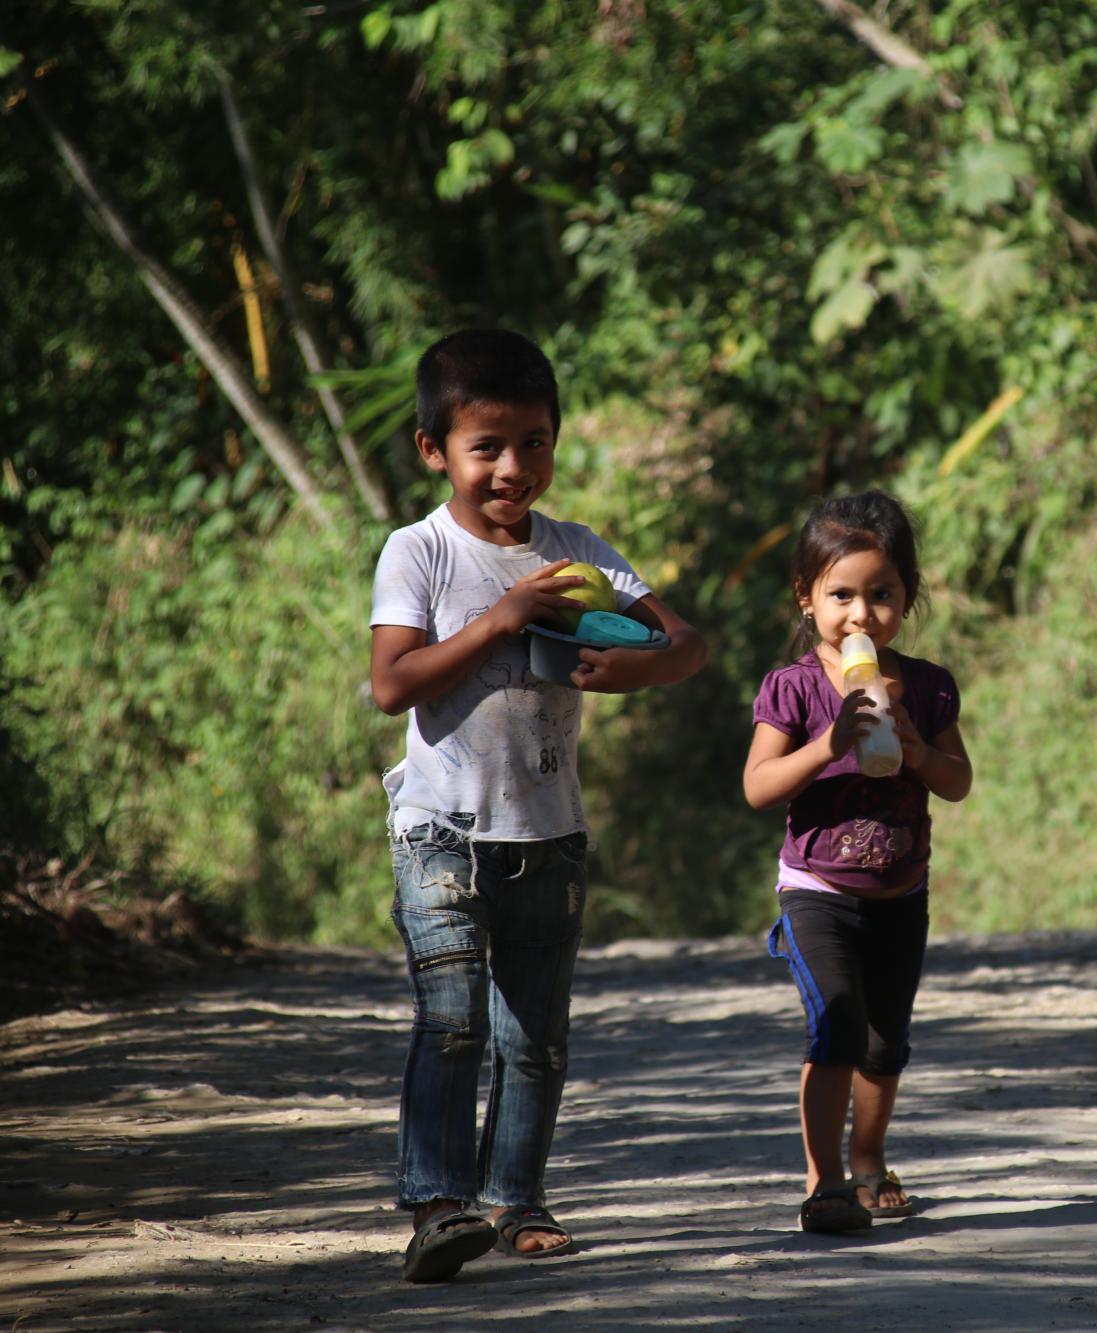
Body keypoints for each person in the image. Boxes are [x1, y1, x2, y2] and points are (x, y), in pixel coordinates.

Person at [368, 328, 708, 1280]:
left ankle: (517, 1201)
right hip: (440, 828)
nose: (514, 467)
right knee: (453, 1022)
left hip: (548, 832)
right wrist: (502, 618)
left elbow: (687, 644)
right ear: (434, 448)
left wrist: (627, 669)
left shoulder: (578, 554)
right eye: (488, 447)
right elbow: (393, 682)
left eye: (536, 443)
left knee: (534, 1038)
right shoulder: (420, 552)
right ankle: (439, 1205)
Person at [742, 491, 973, 1233]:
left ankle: (869, 1156)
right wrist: (828, 745)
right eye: (842, 594)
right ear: (806, 599)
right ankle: (826, 1179)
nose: (862, 615)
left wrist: (914, 745)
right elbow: (757, 786)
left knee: (884, 1041)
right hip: (817, 889)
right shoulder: (795, 688)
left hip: (900, 890)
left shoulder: (928, 686)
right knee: (836, 1024)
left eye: (883, 594)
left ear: (907, 596)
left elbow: (958, 780)